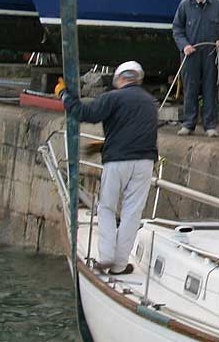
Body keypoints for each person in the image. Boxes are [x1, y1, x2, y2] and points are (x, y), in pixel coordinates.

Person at [56, 62, 158, 275]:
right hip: (145, 162)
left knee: (107, 208)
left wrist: (64, 94)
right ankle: (120, 265)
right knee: (132, 213)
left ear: (120, 79)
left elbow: (84, 113)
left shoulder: (113, 97)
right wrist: (103, 145)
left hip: (117, 161)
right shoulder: (150, 102)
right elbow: (133, 131)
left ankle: (106, 258)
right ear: (138, 79)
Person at [172, 0, 219, 137]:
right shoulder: (184, 5)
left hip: (212, 53)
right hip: (191, 54)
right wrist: (184, 46)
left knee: (211, 88)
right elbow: (177, 29)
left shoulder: (218, 4)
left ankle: (210, 125)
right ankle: (189, 124)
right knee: (190, 88)